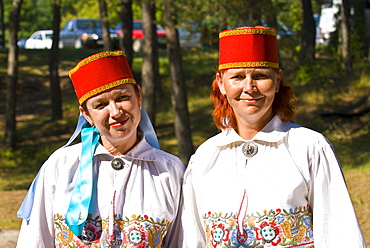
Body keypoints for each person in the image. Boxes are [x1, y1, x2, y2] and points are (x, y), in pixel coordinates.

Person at [181, 26, 366, 247]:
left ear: (277, 81)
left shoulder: (309, 147)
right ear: (221, 83)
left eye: (260, 76)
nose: (249, 87)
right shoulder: (204, 158)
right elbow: (193, 239)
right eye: (237, 77)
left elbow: (339, 233)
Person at [16, 50, 185, 247]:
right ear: (86, 114)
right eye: (101, 104)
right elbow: (35, 240)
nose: (115, 112)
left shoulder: (169, 171)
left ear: (139, 96)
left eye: (122, 97)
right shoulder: (61, 166)